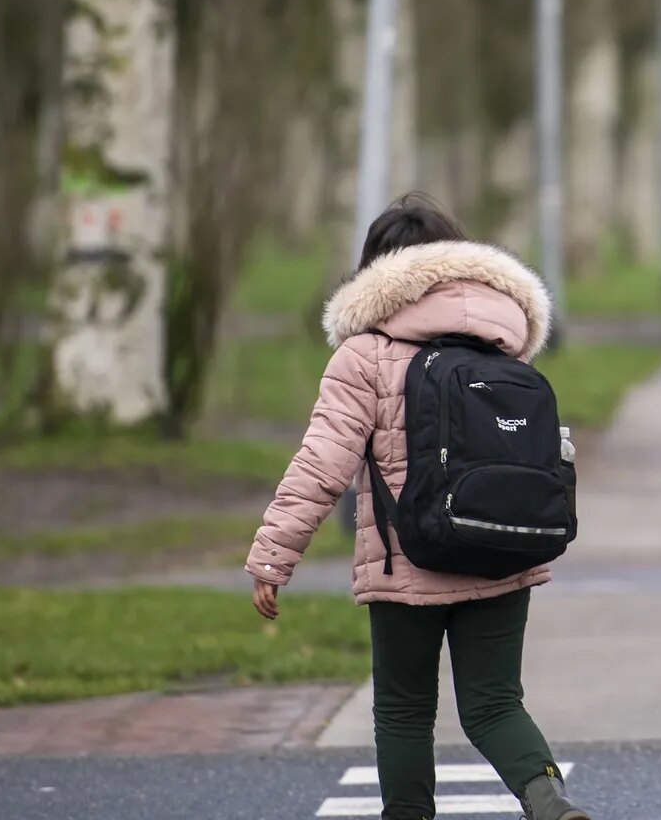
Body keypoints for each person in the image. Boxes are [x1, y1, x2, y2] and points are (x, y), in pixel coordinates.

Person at [245, 194, 590, 820]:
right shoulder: (503, 346)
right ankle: (548, 799)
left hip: (406, 565)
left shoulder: (365, 357)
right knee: (495, 704)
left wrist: (274, 556)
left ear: (377, 274)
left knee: (404, 708)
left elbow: (321, 464)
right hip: (501, 549)